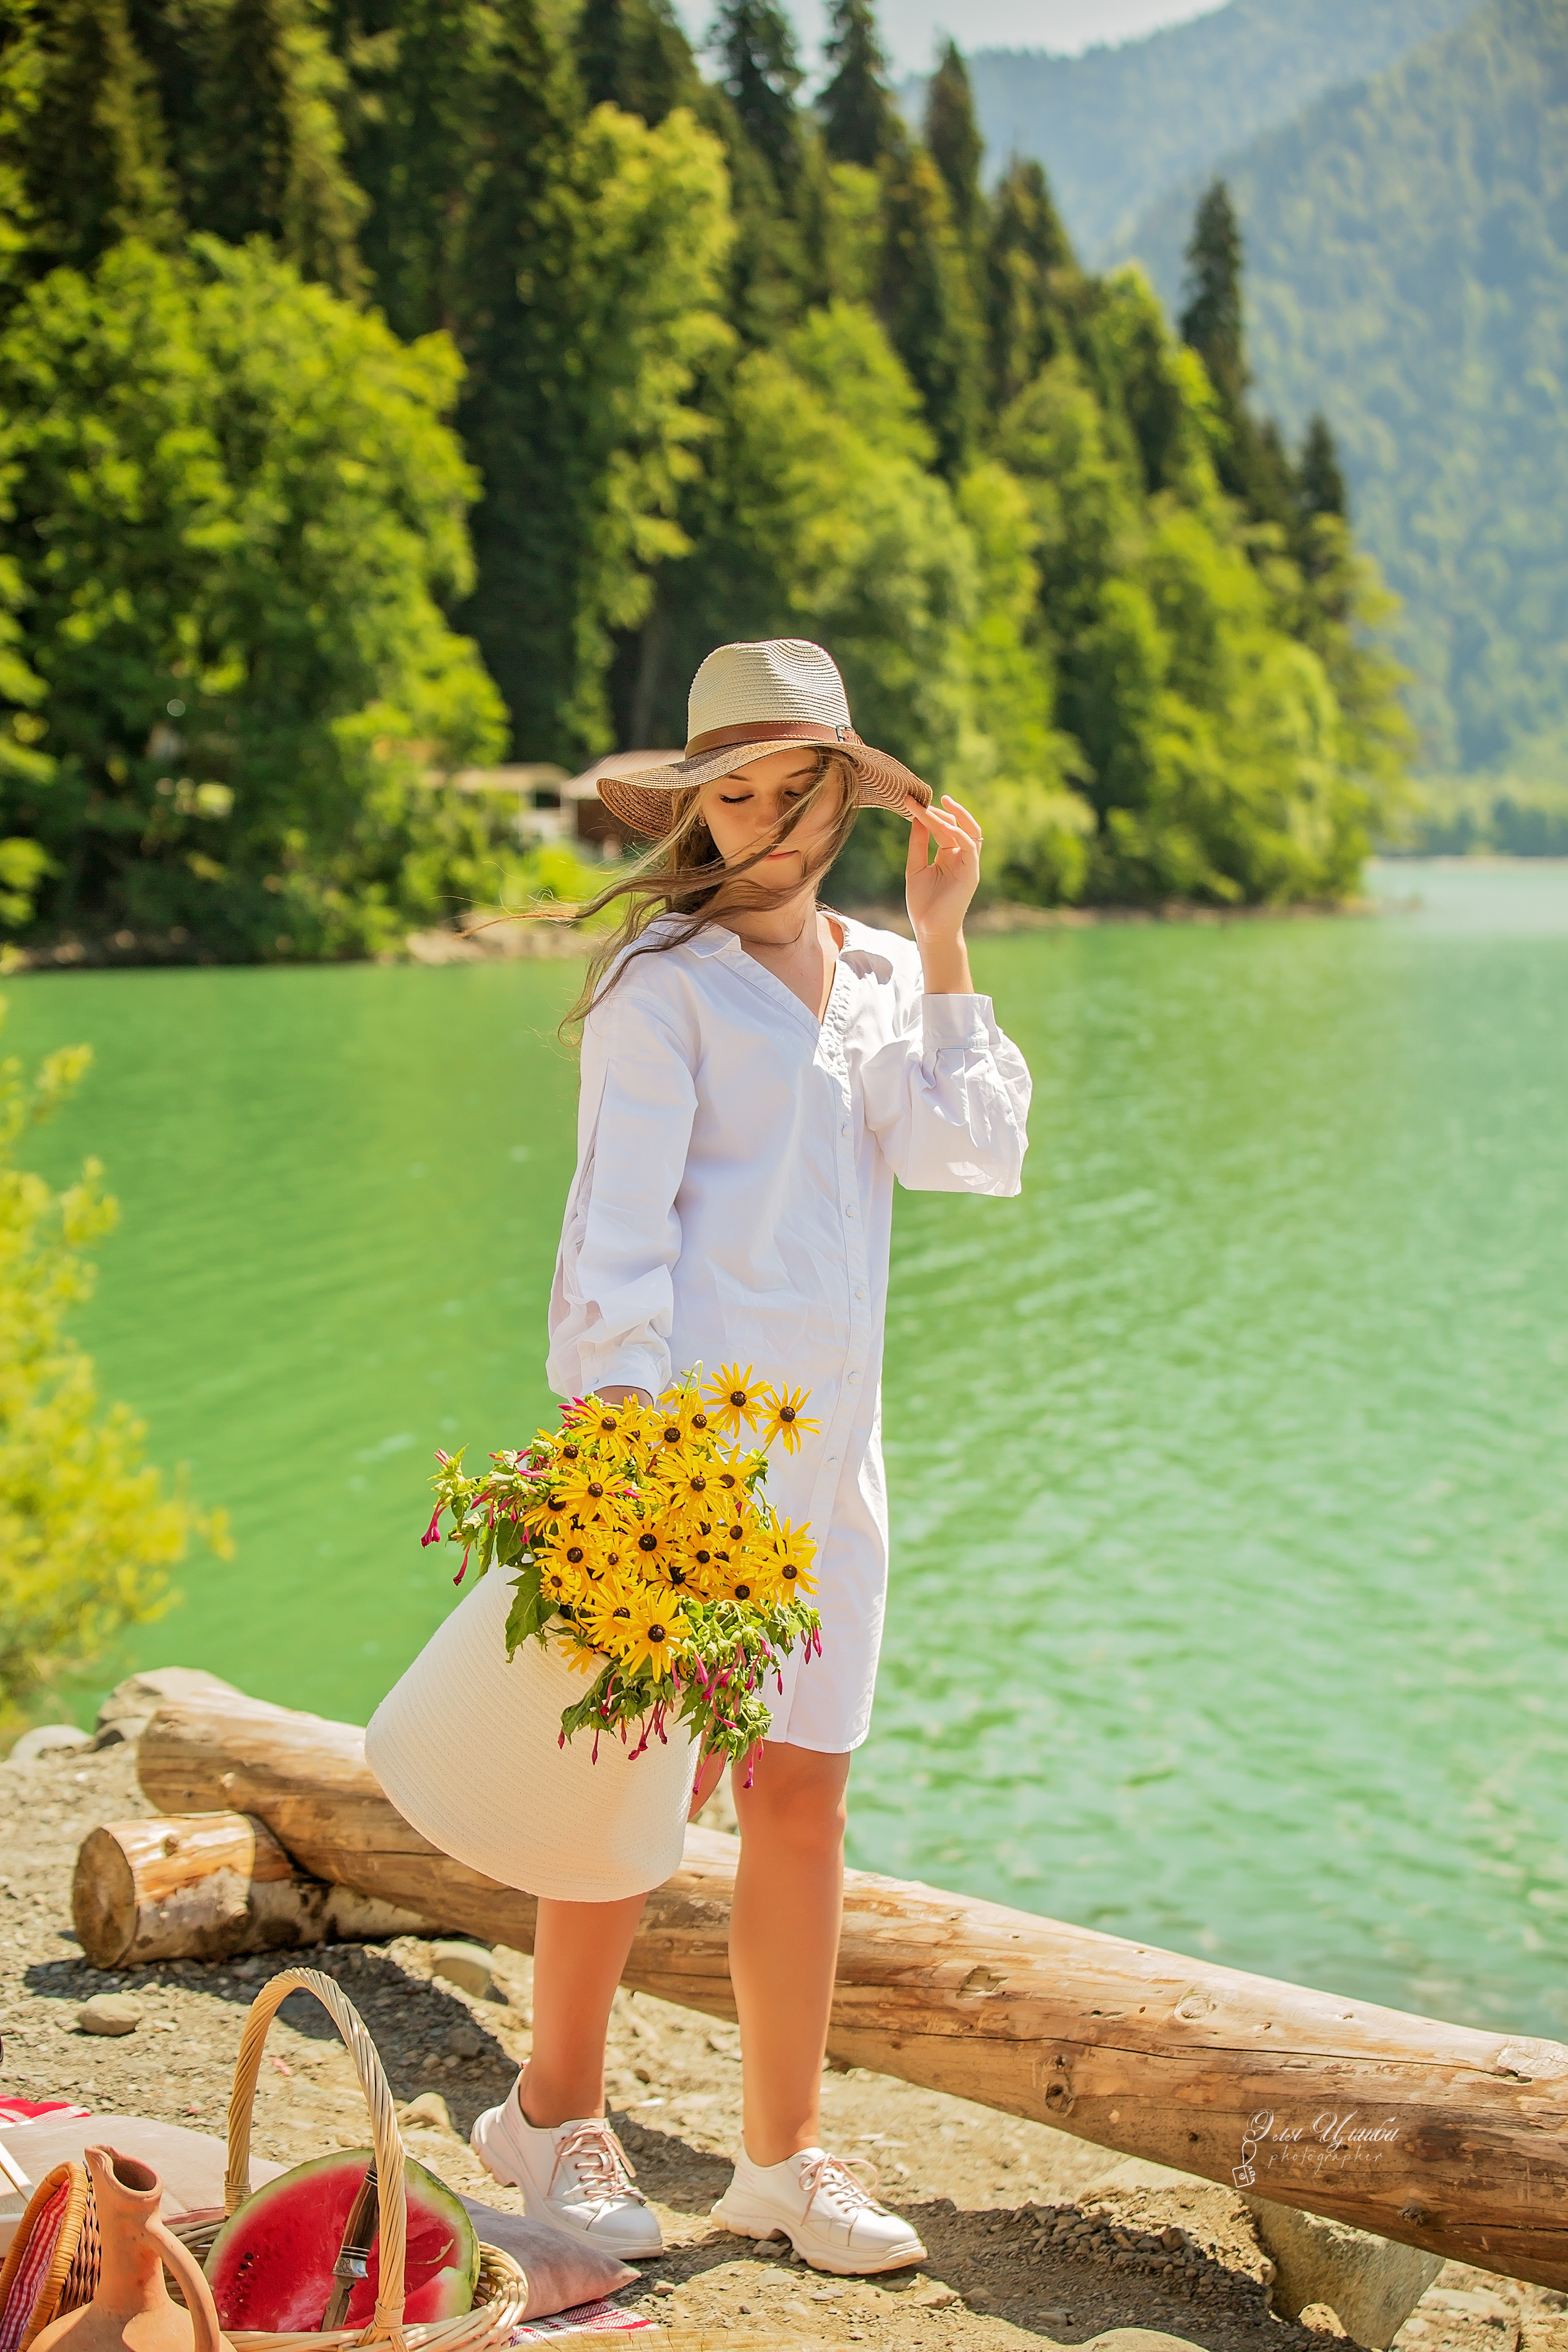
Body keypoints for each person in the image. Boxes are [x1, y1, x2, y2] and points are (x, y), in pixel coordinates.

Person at [468, 638, 1031, 2274]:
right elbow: (615, 1247)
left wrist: (943, 946)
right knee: (640, 1798)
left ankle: (782, 2160)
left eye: (800, 791)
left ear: (847, 798)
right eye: (738, 793)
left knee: (802, 1807)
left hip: (830, 1472)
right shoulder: (661, 987)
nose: (770, 823)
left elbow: (968, 1153)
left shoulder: (870, 976)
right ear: (697, 807)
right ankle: (547, 2116)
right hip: (686, 1476)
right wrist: (627, 1460)